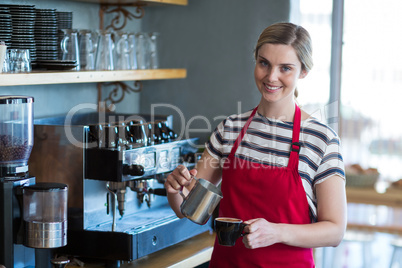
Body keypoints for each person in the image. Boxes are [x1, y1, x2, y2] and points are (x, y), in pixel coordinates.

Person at [165, 22, 346, 267]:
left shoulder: (321, 139)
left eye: (285, 68)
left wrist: (278, 232)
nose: (271, 77)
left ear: (303, 72)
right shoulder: (229, 129)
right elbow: (193, 211)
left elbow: (335, 231)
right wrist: (175, 191)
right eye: (264, 63)